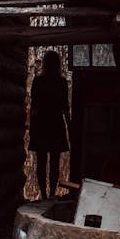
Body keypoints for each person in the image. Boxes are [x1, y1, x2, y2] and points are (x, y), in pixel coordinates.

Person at [28, 51, 70, 198]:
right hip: (56, 124)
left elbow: (34, 108)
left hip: (41, 125)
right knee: (54, 162)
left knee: (41, 161)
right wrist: (69, 126)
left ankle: (44, 194)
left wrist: (31, 127)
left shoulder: (38, 82)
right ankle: (51, 193)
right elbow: (65, 108)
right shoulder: (61, 82)